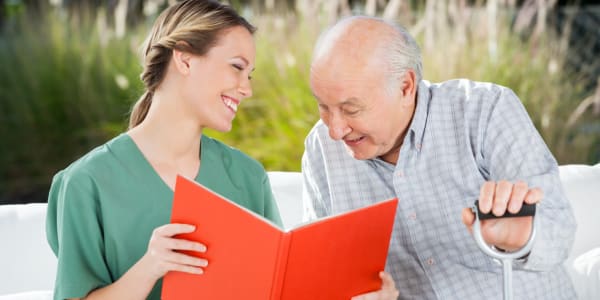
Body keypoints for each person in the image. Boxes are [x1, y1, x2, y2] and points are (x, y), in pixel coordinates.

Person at [302, 16, 577, 299]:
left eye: (351, 109)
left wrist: (522, 237)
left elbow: (560, 232)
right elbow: (324, 273)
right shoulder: (320, 150)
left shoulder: (485, 111)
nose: (335, 130)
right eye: (323, 106)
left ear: (405, 87)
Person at [45, 1, 283, 299]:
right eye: (237, 67)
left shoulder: (248, 178)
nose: (246, 88)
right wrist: (150, 267)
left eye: (249, 74)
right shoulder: (86, 184)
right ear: (184, 60)